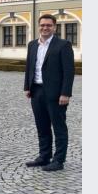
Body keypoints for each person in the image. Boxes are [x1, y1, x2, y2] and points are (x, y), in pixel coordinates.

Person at [24, 14, 75, 172]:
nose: (45, 28)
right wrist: (27, 86)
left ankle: (58, 160)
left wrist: (65, 93)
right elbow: (29, 67)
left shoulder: (63, 45)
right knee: (42, 126)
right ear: (38, 26)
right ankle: (44, 156)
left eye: (49, 25)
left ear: (54, 27)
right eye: (42, 25)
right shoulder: (32, 45)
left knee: (59, 127)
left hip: (56, 93)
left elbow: (69, 72)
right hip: (37, 91)